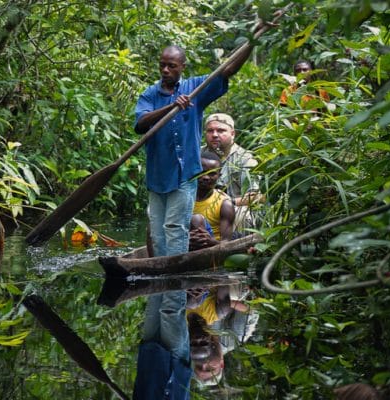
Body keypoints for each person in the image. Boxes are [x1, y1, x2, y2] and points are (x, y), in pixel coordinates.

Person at [132, 41, 257, 399]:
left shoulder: (196, 90)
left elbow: (227, 70)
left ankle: (172, 282)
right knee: (157, 229)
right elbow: (140, 124)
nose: (166, 70)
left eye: (172, 66)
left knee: (175, 227)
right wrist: (170, 107)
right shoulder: (151, 94)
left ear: (182, 67)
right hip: (157, 176)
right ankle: (162, 274)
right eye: (163, 65)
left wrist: (253, 40)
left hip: (185, 174)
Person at [203, 113, 260, 233]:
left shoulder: (245, 158)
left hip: (232, 207)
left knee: (242, 213)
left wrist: (227, 203)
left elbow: (257, 195)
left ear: (232, 134)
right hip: (200, 205)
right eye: (210, 131)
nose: (214, 135)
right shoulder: (197, 154)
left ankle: (239, 249)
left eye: (221, 130)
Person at [190, 151, 235, 249]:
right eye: (202, 172)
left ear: (219, 175)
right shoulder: (183, 197)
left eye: (212, 174)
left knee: (196, 219)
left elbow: (227, 244)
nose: (206, 177)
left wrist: (210, 240)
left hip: (210, 249)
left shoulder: (224, 204)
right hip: (184, 242)